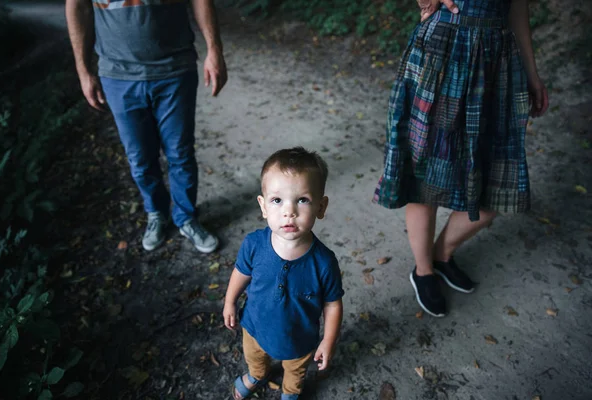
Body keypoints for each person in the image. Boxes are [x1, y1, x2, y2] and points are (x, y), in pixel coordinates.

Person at [373, 0, 549, 317]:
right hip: (443, 49)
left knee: (494, 188)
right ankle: (424, 270)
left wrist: (532, 74)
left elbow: (518, 8)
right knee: (424, 174)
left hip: (496, 62)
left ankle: (441, 254)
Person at [65, 0, 227, 253]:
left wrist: (214, 50)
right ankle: (156, 213)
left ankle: (186, 217)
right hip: (118, 75)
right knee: (140, 159)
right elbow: (77, 7)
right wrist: (83, 71)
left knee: (181, 153)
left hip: (175, 69)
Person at [222, 147, 344, 400]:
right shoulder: (254, 244)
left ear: (321, 207)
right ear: (263, 206)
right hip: (255, 326)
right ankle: (257, 374)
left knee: (295, 370)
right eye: (277, 200)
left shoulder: (324, 262)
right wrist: (230, 301)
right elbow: (241, 273)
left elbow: (332, 304)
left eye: (303, 200)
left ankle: (290, 391)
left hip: (299, 338)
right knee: (254, 356)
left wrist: (328, 340)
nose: (289, 211)